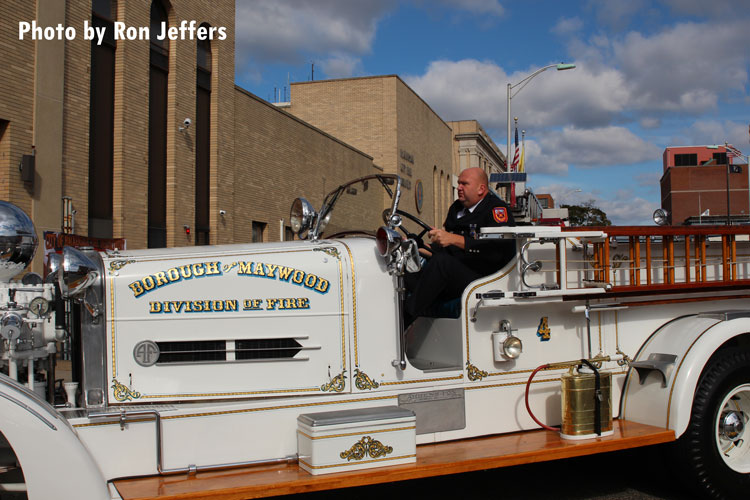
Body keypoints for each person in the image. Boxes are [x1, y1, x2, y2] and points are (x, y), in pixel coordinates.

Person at [405, 167, 516, 319]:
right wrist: (420, 247)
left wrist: (454, 239)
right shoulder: (456, 208)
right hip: (455, 271)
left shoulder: (496, 210)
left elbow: (497, 251)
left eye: (465, 184)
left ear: (481, 189)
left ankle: (407, 316)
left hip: (483, 276)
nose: (459, 187)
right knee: (407, 263)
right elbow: (447, 250)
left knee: (442, 263)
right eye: (459, 183)